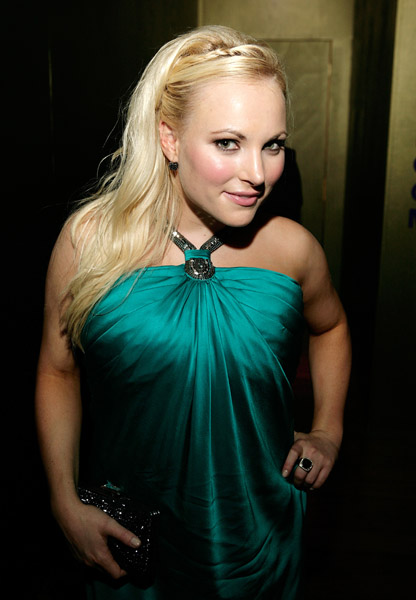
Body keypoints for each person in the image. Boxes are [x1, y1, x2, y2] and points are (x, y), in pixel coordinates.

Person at [35, 25, 351, 600]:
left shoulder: (292, 249)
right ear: (170, 138)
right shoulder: (89, 241)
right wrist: (62, 498)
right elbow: (58, 370)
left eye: (273, 145)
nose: (258, 173)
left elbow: (330, 326)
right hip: (132, 541)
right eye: (228, 143)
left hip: (256, 538)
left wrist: (329, 429)